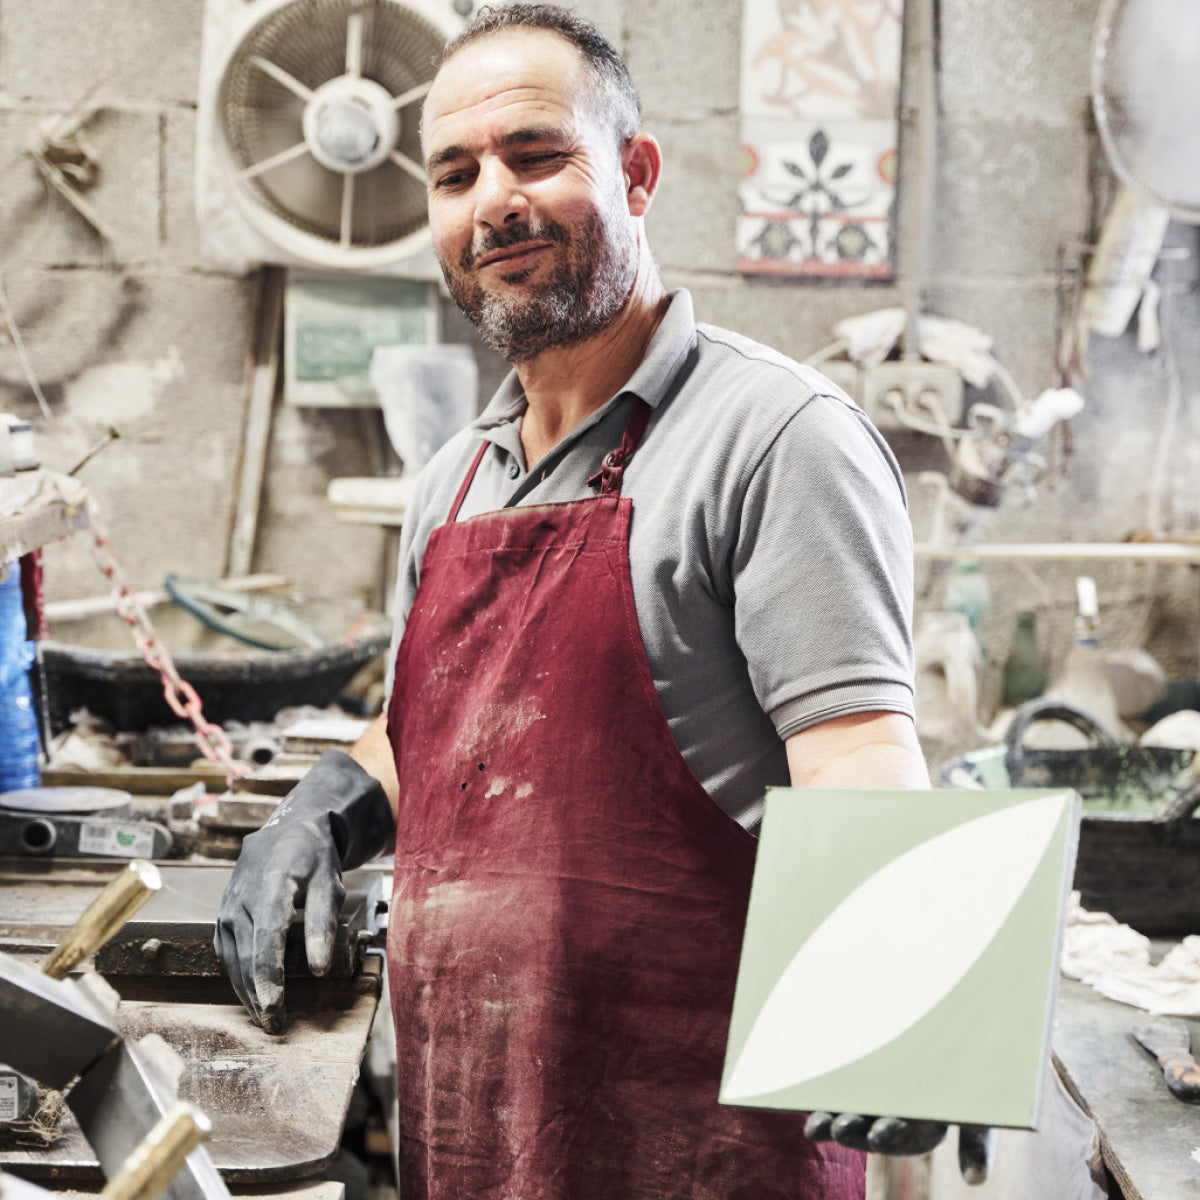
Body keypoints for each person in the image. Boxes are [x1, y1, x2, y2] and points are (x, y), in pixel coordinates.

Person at [217, 6, 958, 1196]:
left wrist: (899, 991)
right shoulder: (452, 482)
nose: (493, 200)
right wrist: (321, 813)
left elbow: (858, 750)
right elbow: (446, 738)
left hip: (706, 1144)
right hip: (477, 1125)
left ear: (638, 172)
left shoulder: (776, 440)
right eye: (456, 175)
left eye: (535, 155)